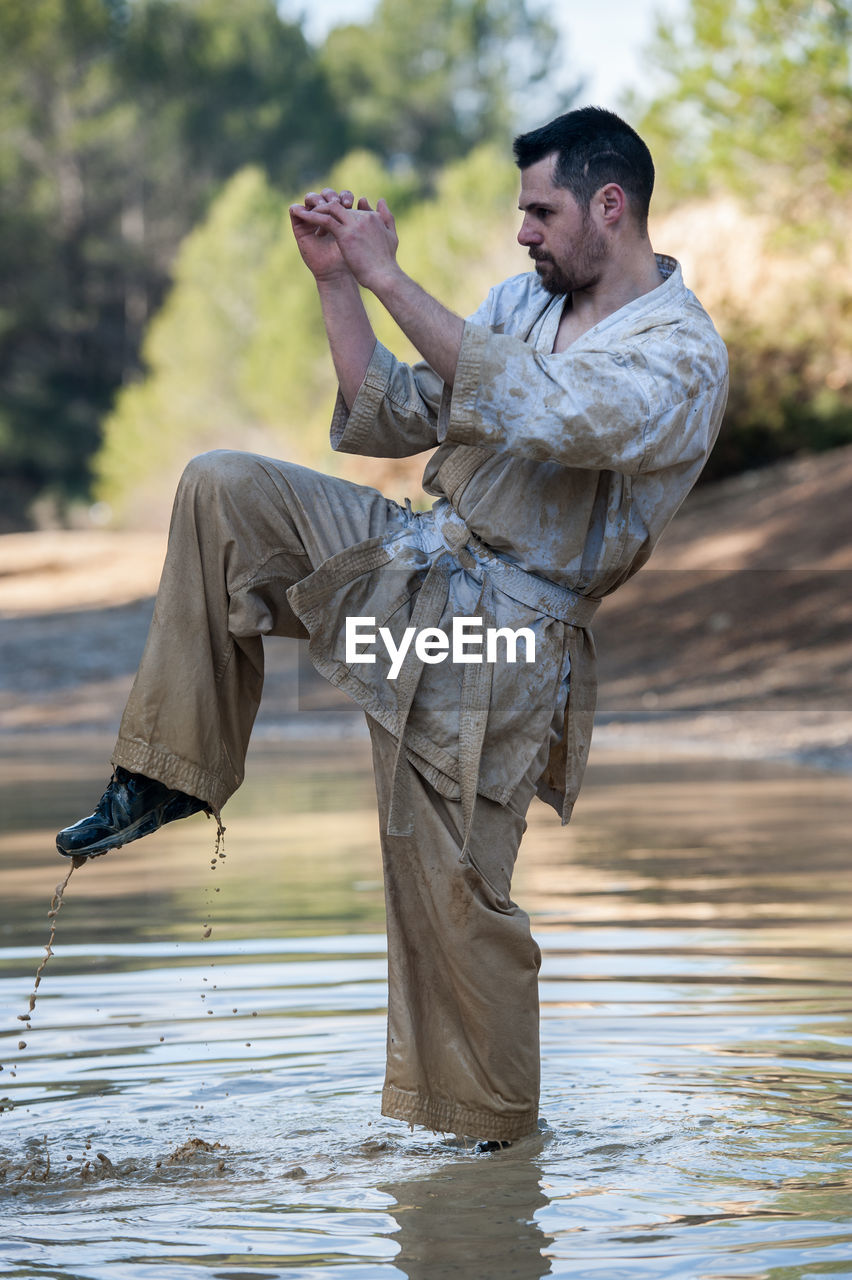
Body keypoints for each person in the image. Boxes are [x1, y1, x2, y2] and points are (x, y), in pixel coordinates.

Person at [56, 107, 728, 1148]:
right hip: (414, 559)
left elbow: (544, 411)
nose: (522, 234)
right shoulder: (521, 300)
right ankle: (168, 769)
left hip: (503, 638)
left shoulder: (682, 356)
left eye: (540, 211)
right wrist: (338, 281)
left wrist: (389, 277)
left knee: (452, 906)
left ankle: (496, 1156)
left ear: (611, 204)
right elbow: (396, 409)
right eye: (520, 213)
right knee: (224, 490)